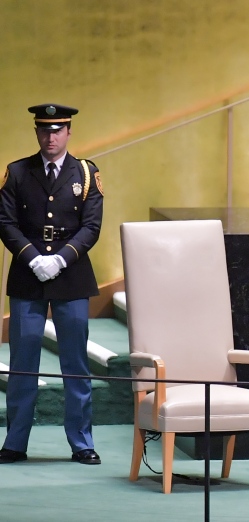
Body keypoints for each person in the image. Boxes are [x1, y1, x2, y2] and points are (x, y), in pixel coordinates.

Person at [0, 104, 103, 465]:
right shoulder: (17, 172)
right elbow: (5, 222)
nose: (51, 137)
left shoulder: (86, 173)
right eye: (44, 130)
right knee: (22, 363)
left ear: (69, 132)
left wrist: (60, 259)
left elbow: (91, 226)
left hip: (71, 276)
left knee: (75, 364)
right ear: (36, 132)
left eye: (57, 130)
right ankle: (15, 443)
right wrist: (33, 258)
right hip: (27, 276)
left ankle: (82, 443)